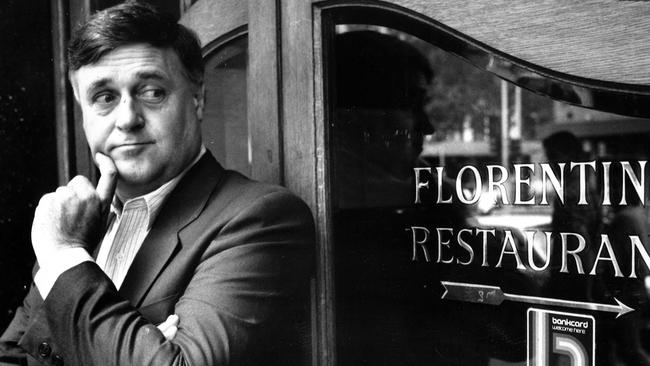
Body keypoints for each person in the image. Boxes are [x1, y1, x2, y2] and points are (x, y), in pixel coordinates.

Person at [0, 2, 314, 365]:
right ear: (82, 113)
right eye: (104, 98)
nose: (128, 119)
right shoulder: (77, 228)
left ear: (197, 100)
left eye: (152, 92)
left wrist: (65, 256)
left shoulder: (261, 218)